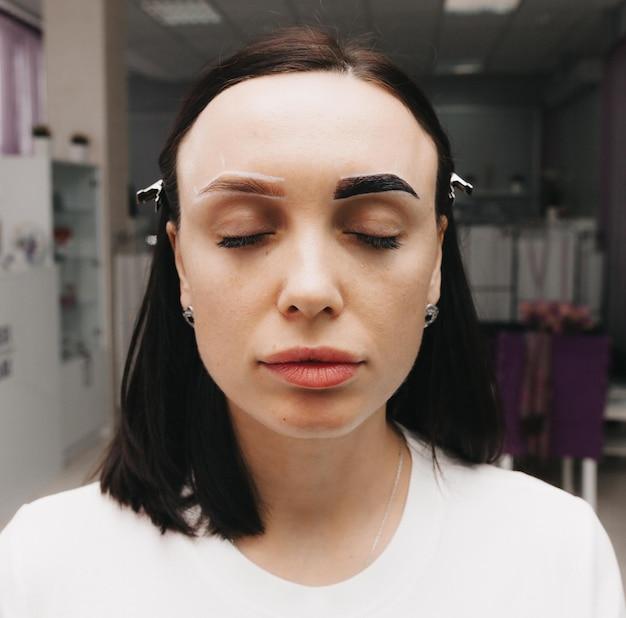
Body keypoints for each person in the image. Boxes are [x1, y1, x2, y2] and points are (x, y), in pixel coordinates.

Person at [1, 25, 624, 617]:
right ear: (181, 264)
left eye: (374, 233)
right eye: (242, 234)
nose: (309, 290)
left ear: (435, 258)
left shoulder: (552, 553)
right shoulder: (48, 566)